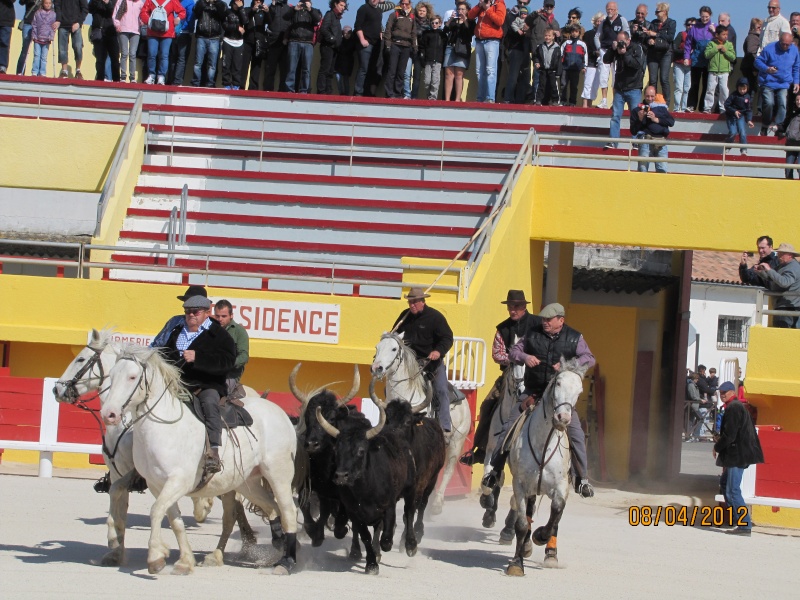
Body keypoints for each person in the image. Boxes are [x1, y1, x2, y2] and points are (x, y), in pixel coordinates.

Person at [484, 302, 596, 498]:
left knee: (577, 435)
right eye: (543, 319)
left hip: (560, 399)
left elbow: (589, 358)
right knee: (508, 429)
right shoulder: (532, 334)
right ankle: (494, 471)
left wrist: (567, 365)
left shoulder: (575, 337)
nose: (544, 322)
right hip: (533, 393)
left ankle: (582, 479)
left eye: (549, 319)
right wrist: (525, 357)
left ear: (561, 320)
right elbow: (513, 352)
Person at [156, 291, 237, 473]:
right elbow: (163, 353)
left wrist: (198, 358)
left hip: (206, 384)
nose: (191, 315)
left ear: (206, 312)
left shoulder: (219, 335)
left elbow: (227, 361)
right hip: (177, 384)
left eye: (195, 311)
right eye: (188, 311)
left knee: (209, 403)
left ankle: (213, 451)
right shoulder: (177, 331)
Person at [459, 289, 535, 468]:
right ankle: (481, 449)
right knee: (488, 405)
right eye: (510, 307)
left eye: (516, 306)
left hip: (536, 376)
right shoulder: (503, 328)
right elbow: (496, 354)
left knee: (557, 404)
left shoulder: (537, 324)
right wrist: (515, 358)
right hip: (508, 375)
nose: (512, 310)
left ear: (524, 306)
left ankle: (568, 454)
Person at [392, 287, 454, 435]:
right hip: (409, 365)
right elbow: (395, 335)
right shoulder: (404, 317)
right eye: (410, 302)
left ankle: (445, 426)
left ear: (422, 301)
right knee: (391, 388)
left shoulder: (435, 317)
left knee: (441, 390)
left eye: (414, 302)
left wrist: (438, 351)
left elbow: (447, 337)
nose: (412, 305)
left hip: (430, 364)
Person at [713, 381, 764, 536]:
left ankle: (744, 525)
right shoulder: (736, 406)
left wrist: (717, 447)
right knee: (725, 483)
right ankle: (738, 518)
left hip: (737, 455)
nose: (722, 395)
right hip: (739, 453)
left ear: (732, 392)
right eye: (721, 392)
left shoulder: (734, 408)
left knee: (733, 489)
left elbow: (730, 436)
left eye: (725, 392)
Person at [603, 30, 645, 149]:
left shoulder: (637, 48)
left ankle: (636, 141)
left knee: (635, 116)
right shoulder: (616, 50)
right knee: (615, 116)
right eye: (618, 40)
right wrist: (612, 49)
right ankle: (613, 141)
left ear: (628, 40)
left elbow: (637, 65)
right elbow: (606, 60)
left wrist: (625, 53)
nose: (620, 43)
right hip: (620, 89)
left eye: (622, 41)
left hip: (634, 88)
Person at [755, 33, 800, 135]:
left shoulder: (794, 50)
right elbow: (757, 62)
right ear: (779, 40)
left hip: (784, 82)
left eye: (787, 45)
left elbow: (796, 67)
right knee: (769, 103)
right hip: (768, 81)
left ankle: (778, 125)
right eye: (783, 44)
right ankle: (765, 124)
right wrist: (767, 69)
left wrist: (796, 82)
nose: (785, 46)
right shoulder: (769, 48)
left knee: (783, 103)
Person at [352, 0, 396, 97]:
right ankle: (358, 92)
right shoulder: (363, 8)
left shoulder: (379, 10)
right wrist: (362, 40)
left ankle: (367, 93)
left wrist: (380, 37)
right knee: (364, 68)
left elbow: (378, 26)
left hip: (376, 44)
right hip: (366, 44)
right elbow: (357, 25)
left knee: (373, 69)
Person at [468, 0, 506, 104]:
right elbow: (470, 16)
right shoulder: (482, 4)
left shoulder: (499, 4)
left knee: (490, 70)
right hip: (479, 41)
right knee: (479, 71)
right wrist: (479, 6)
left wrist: (488, 9)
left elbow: (500, 21)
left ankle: (490, 98)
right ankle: (480, 98)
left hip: (492, 41)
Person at [630, 85, 674, 173]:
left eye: (652, 96)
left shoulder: (661, 109)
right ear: (644, 95)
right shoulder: (637, 110)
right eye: (647, 96)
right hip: (645, 141)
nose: (650, 99)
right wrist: (640, 119)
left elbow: (671, 122)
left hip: (661, 141)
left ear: (655, 95)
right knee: (643, 170)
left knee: (662, 170)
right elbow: (633, 131)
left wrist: (656, 119)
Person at [755, 243, 800, 328]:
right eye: (778, 253)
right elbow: (774, 278)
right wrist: (761, 272)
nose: (779, 256)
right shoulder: (784, 266)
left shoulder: (793, 268)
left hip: (787, 308)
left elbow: (784, 282)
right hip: (784, 306)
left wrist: (769, 269)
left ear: (790, 255)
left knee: (784, 334)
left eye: (781, 254)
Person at [140, 0, 186, 84]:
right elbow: (143, 12)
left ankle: (161, 76)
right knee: (151, 54)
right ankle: (151, 75)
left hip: (167, 33)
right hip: (152, 32)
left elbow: (182, 11)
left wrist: (178, 18)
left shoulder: (172, 1)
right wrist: (149, 22)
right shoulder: (150, 0)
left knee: (164, 55)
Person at [594, 1, 628, 109]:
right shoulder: (604, 22)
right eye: (608, 9)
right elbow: (597, 36)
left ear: (616, 10)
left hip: (617, 51)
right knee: (603, 76)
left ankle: (615, 102)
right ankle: (604, 100)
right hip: (605, 50)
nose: (610, 11)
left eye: (612, 9)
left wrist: (621, 46)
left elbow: (628, 35)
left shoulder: (622, 20)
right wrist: (599, 48)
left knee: (615, 77)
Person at [525, 0, 560, 104]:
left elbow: (558, 42)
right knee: (537, 79)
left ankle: (547, 101)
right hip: (538, 54)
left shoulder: (555, 22)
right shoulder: (537, 18)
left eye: (551, 6)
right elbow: (527, 21)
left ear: (554, 7)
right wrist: (536, 12)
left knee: (550, 82)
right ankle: (536, 100)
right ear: (543, 6)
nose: (549, 8)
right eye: (547, 6)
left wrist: (559, 34)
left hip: (550, 58)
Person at [283, 0, 322, 94]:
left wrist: (310, 9)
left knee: (306, 69)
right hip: (294, 41)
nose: (304, 3)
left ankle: (304, 90)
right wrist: (295, 10)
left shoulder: (315, 11)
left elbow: (317, 19)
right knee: (291, 68)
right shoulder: (294, 10)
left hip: (308, 43)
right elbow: (285, 17)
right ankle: (289, 89)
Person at [683, 6, 715, 113]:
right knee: (694, 83)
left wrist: (714, 32)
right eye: (702, 16)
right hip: (696, 60)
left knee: (707, 85)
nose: (704, 18)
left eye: (706, 16)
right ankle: (691, 105)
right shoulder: (694, 28)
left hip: (709, 61)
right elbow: (688, 44)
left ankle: (703, 107)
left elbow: (721, 40)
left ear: (710, 16)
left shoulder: (714, 26)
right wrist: (687, 57)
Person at [214, 299, 249, 394]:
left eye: (224, 316)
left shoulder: (239, 331)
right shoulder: (210, 330)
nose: (220, 319)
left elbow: (244, 356)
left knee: (216, 393)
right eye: (217, 316)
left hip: (229, 376)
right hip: (210, 372)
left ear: (231, 316)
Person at [384, 0, 417, 99]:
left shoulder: (412, 17)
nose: (404, 5)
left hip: (406, 46)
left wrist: (415, 48)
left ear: (410, 5)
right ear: (400, 4)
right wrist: (388, 45)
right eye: (402, 3)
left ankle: (398, 93)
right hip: (395, 44)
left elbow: (414, 34)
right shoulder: (394, 14)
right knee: (392, 70)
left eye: (406, 4)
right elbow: (388, 30)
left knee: (401, 72)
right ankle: (389, 93)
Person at [442, 1, 474, 102]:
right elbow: (445, 29)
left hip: (462, 49)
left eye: (462, 9)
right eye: (459, 9)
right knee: (448, 74)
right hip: (451, 47)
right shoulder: (454, 21)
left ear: (467, 11)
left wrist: (465, 21)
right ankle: (447, 99)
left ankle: (457, 100)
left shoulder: (471, 21)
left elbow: (470, 33)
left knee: (459, 75)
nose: (460, 11)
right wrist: (451, 18)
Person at [643, 2, 674, 102]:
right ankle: (652, 101)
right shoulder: (654, 23)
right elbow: (649, 36)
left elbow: (670, 37)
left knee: (664, 79)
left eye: (658, 11)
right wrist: (649, 39)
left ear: (664, 12)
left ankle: (666, 103)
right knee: (652, 80)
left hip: (665, 54)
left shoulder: (671, 23)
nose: (656, 14)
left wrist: (655, 34)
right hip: (653, 54)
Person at [192, 0, 227, 87]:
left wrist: (217, 2)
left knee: (212, 64)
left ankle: (210, 84)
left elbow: (223, 15)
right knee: (198, 63)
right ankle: (196, 82)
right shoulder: (201, 3)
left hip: (215, 38)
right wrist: (204, 2)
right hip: (201, 36)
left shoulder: (221, 4)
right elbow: (196, 13)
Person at [702, 24, 735, 114]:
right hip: (713, 70)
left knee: (724, 89)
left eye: (726, 34)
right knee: (710, 89)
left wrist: (726, 51)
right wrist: (716, 48)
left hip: (724, 71)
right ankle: (707, 107)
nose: (725, 36)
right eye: (723, 34)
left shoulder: (729, 45)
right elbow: (707, 55)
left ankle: (724, 107)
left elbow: (733, 57)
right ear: (717, 35)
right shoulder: (711, 44)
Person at [316, 0, 346, 95]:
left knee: (330, 71)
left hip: (334, 48)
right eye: (341, 5)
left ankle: (328, 90)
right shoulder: (330, 14)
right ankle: (321, 90)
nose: (343, 7)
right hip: (327, 46)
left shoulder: (337, 17)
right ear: (335, 4)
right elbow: (323, 29)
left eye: (344, 6)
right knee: (325, 69)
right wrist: (332, 38)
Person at [502, 3, 530, 104]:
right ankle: (508, 98)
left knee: (525, 78)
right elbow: (510, 29)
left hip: (526, 50)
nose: (522, 3)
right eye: (520, 2)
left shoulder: (530, 19)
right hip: (515, 49)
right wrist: (519, 30)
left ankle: (520, 100)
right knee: (513, 76)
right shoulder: (511, 15)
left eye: (525, 2)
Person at [54, 0, 89, 79]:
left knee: (78, 47)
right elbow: (57, 5)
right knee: (62, 49)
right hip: (63, 25)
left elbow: (85, 8)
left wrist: (78, 22)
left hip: (76, 24)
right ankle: (64, 72)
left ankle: (78, 71)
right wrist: (58, 20)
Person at [115, 0, 147, 84]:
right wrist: (117, 24)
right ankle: (123, 76)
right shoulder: (122, 1)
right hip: (123, 29)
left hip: (136, 31)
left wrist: (143, 21)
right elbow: (116, 14)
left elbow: (143, 14)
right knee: (124, 53)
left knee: (133, 54)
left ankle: (132, 77)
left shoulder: (140, 3)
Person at [263, 0, 292, 91]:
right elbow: (267, 20)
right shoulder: (271, 7)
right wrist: (273, 5)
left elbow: (291, 25)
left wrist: (287, 37)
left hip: (285, 43)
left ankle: (282, 92)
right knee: (270, 69)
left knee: (284, 70)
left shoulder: (289, 9)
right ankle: (268, 90)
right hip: (272, 42)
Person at [89, 0, 121, 82]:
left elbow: (116, 11)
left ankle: (116, 80)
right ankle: (100, 79)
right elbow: (90, 9)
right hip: (99, 32)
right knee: (100, 60)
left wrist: (107, 3)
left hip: (112, 32)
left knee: (115, 59)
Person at [220, 0, 247, 90]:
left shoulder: (243, 12)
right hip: (228, 40)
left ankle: (236, 85)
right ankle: (226, 84)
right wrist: (236, 27)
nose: (237, 4)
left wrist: (241, 8)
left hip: (239, 42)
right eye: (236, 2)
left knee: (237, 66)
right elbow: (224, 25)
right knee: (226, 65)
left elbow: (246, 21)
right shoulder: (227, 12)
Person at [240, 0, 267, 90]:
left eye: (260, 1)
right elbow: (244, 19)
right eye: (256, 0)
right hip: (247, 41)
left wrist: (267, 12)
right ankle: (241, 86)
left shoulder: (263, 12)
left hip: (259, 42)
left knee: (256, 66)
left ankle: (253, 87)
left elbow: (270, 21)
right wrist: (253, 10)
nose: (258, 2)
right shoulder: (248, 10)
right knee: (244, 65)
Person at [724, 78, 754, 155]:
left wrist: (749, 120)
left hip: (741, 116)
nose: (742, 91)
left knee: (742, 132)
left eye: (744, 89)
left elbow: (749, 110)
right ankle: (727, 147)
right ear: (737, 88)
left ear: (747, 88)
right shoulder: (733, 95)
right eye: (740, 89)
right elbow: (726, 105)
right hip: (731, 116)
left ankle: (743, 149)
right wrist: (734, 111)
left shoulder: (747, 97)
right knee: (733, 132)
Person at [419, 14, 446, 100]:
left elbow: (444, 47)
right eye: (433, 23)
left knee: (435, 81)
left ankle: (433, 98)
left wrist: (442, 59)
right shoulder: (426, 34)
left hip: (438, 61)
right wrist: (422, 56)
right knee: (427, 81)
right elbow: (422, 46)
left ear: (440, 24)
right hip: (428, 60)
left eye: (436, 23)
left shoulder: (443, 35)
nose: (434, 24)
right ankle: (428, 96)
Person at [560, 23, 586, 106]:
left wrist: (584, 66)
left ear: (579, 33)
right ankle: (563, 101)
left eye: (576, 31)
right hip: (565, 68)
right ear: (570, 32)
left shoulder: (582, 44)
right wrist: (560, 65)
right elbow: (561, 54)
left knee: (574, 86)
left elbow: (585, 56)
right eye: (573, 31)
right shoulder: (566, 43)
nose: (574, 33)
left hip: (576, 68)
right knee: (563, 85)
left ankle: (572, 102)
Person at [532, 27, 561, 105]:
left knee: (553, 86)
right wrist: (537, 62)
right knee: (541, 85)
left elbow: (559, 61)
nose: (547, 37)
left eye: (549, 36)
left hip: (553, 70)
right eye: (546, 36)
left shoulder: (557, 48)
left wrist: (558, 72)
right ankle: (538, 100)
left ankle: (555, 100)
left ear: (553, 37)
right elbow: (535, 56)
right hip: (543, 69)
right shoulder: (540, 47)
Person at [580, 11, 603, 108]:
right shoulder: (588, 34)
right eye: (598, 21)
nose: (599, 23)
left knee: (595, 86)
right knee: (588, 84)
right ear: (594, 22)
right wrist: (595, 53)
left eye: (601, 21)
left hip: (601, 63)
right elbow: (586, 49)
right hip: (590, 62)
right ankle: (585, 105)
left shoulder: (605, 35)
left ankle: (590, 105)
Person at [29, 0, 57, 77]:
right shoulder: (38, 13)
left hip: (47, 39)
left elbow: (53, 27)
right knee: (37, 55)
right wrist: (34, 35)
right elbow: (34, 24)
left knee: (44, 57)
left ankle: (42, 72)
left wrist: (51, 36)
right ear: (43, 4)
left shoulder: (53, 14)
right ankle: (34, 71)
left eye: (49, 3)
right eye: (46, 3)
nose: (48, 5)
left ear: (51, 4)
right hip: (37, 38)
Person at [672, 17, 694, 112]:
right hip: (679, 64)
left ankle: (684, 107)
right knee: (679, 87)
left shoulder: (696, 37)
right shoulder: (681, 34)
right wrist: (686, 52)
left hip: (690, 65)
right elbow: (674, 48)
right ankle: (677, 108)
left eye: (692, 25)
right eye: (688, 24)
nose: (690, 26)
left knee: (687, 88)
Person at [778, 92, 800, 178]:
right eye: (797, 100)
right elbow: (784, 126)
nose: (798, 102)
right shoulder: (792, 113)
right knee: (788, 170)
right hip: (791, 145)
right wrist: (777, 128)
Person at [15, 0, 40, 75]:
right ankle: (20, 72)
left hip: (40, 25)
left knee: (39, 50)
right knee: (25, 49)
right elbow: (21, 2)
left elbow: (50, 7)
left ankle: (37, 73)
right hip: (28, 23)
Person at [741, 18, 763, 99]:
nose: (760, 29)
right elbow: (751, 51)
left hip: (749, 66)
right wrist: (756, 64)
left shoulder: (755, 37)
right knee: (751, 89)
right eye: (758, 27)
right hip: (750, 67)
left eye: (761, 27)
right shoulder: (752, 37)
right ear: (753, 27)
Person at [334, 25, 356, 94]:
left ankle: (346, 94)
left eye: (348, 33)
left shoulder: (352, 42)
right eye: (345, 33)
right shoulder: (340, 41)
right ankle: (342, 92)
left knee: (345, 79)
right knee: (338, 77)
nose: (346, 35)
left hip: (348, 63)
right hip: (339, 62)